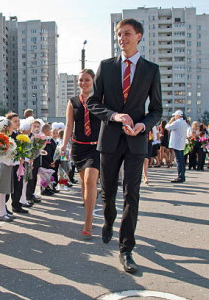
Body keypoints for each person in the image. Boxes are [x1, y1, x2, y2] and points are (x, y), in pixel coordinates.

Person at [87, 18, 162, 273]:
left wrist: (143, 126)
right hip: (109, 139)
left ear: (138, 36)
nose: (122, 38)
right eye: (119, 35)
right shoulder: (106, 67)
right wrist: (114, 116)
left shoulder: (151, 69)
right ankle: (108, 218)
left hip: (135, 140)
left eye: (127, 34)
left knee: (132, 194)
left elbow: (156, 110)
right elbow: (93, 102)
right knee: (108, 192)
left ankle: (126, 249)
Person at [60, 69, 101, 237]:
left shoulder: (100, 99)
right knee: (84, 184)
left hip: (96, 147)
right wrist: (64, 145)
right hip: (79, 147)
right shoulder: (73, 102)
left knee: (90, 179)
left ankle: (88, 223)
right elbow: (69, 125)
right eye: (81, 80)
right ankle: (88, 212)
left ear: (93, 81)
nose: (83, 83)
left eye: (87, 80)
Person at [165, 110, 188, 182]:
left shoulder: (177, 122)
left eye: (175, 116)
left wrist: (170, 121)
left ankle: (180, 176)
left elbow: (167, 127)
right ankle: (182, 176)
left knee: (179, 161)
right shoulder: (184, 122)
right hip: (181, 143)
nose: (174, 117)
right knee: (181, 160)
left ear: (178, 115)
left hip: (177, 143)